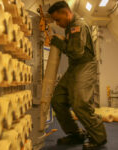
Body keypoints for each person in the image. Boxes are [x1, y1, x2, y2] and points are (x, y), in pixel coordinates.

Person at [48, 1, 107, 150]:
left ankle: (99, 137)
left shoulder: (77, 26)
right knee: (58, 100)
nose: (57, 23)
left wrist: (59, 43)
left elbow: (77, 52)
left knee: (80, 103)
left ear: (66, 13)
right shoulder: (69, 28)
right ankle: (75, 134)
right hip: (74, 66)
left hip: (85, 65)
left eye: (58, 19)